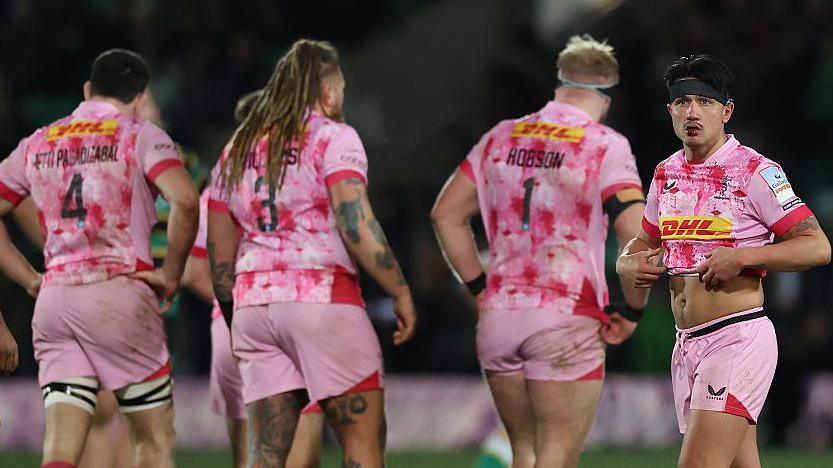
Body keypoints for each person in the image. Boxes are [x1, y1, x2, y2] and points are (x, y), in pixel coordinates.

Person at [431, 35, 647, 468]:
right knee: (556, 456)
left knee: (524, 454)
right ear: (607, 96)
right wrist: (632, 308)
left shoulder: (500, 136)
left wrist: (479, 289)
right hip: (565, 315)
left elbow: (445, 215)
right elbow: (635, 234)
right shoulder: (603, 144)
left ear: (559, 85)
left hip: (500, 317)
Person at [207, 39, 417, 468]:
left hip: (253, 307)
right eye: (341, 88)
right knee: (362, 446)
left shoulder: (237, 148)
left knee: (265, 454)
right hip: (320, 298)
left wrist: (234, 319)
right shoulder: (333, 138)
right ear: (327, 91)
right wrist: (399, 289)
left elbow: (220, 253)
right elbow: (355, 223)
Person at [616, 54, 831, 468]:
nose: (692, 112)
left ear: (726, 111)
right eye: (682, 102)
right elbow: (644, 240)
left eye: (705, 102)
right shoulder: (665, 173)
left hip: (736, 338)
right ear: (670, 110)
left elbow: (817, 246)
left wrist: (744, 257)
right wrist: (626, 262)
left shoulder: (755, 171)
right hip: (688, 343)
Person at [0, 48, 199, 468]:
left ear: (88, 89)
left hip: (55, 301)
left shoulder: (39, 140)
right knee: (154, 442)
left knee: (60, 448)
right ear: (140, 98)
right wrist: (171, 273)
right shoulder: (141, 135)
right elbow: (185, 199)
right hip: (119, 293)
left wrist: (30, 277)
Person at [180, 89, 326, 468]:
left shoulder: (219, 187)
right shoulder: (303, 179)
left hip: (231, 327)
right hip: (290, 317)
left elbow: (195, 272)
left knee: (249, 458)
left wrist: (236, 306)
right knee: (299, 458)